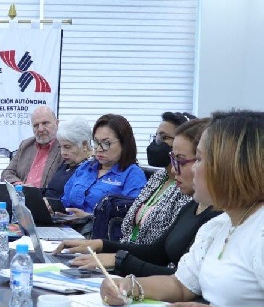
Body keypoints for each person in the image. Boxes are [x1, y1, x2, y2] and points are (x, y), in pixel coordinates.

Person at [100, 110, 264, 307]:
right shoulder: (218, 225)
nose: (190, 168)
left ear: (230, 166)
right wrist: (129, 286)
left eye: (198, 159)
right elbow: (181, 285)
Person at [54, 118, 221, 277]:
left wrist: (118, 260)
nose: (173, 169)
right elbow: (156, 251)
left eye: (181, 160)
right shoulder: (191, 205)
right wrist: (100, 245)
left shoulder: (214, 216)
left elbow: (184, 280)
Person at [119, 111, 196, 244]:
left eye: (164, 137)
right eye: (156, 137)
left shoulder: (187, 187)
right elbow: (128, 226)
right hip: (127, 249)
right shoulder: (158, 177)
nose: (157, 143)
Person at [61, 114, 147, 218]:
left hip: (99, 232)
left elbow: (130, 217)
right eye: (96, 142)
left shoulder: (133, 175)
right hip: (68, 227)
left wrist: (90, 217)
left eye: (106, 143)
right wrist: (54, 209)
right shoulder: (86, 167)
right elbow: (65, 200)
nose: (99, 149)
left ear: (124, 144)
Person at [1, 105, 62, 188]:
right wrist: (20, 186)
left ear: (57, 123)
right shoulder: (26, 145)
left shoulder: (64, 148)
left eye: (45, 123)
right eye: (36, 125)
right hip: (22, 197)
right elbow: (7, 173)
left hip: (45, 199)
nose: (40, 129)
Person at [43, 117, 93, 199]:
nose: (63, 153)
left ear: (84, 145)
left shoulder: (91, 167)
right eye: (61, 147)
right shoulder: (69, 162)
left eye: (67, 147)